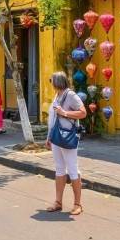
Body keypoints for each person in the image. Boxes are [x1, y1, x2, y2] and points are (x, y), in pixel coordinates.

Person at [45, 71, 86, 216]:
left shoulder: (71, 96)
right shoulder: (58, 95)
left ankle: (78, 204)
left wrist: (65, 113)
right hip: (56, 137)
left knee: (73, 169)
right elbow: (53, 118)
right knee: (59, 169)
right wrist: (49, 136)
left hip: (68, 137)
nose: (51, 83)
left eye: (52, 80)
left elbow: (83, 113)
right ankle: (58, 201)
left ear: (57, 82)